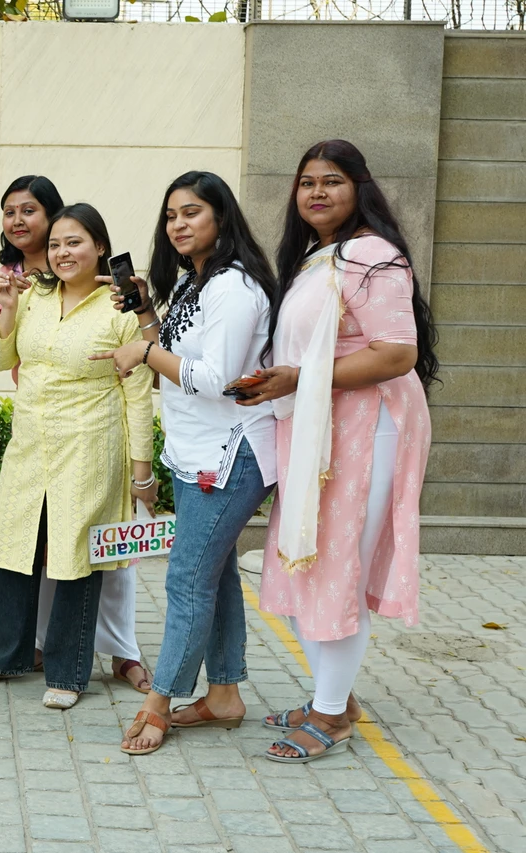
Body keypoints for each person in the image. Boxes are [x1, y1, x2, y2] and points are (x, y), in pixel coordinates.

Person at [238, 140, 437, 763]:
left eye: (332, 181)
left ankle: (331, 715)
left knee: (336, 569)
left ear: (360, 189)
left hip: (367, 429)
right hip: (318, 429)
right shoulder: (318, 257)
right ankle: (336, 696)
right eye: (306, 183)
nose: (317, 192)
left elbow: (395, 354)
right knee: (303, 563)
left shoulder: (374, 256)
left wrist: (298, 379)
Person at [93, 172, 279, 755]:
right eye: (171, 215)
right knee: (214, 574)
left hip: (230, 454)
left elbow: (218, 380)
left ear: (221, 218)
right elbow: (178, 357)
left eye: (192, 213)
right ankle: (223, 696)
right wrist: (148, 313)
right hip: (198, 448)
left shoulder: (233, 289)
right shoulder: (198, 283)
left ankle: (159, 703)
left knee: (188, 579)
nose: (178, 224)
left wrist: (144, 351)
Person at [0, 203, 156, 710]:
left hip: (90, 446)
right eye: (56, 245)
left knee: (74, 559)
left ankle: (68, 673)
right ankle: (7, 658)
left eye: (75, 243)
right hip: (29, 445)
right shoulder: (33, 296)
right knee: (8, 552)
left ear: (101, 248)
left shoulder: (121, 310)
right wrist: (5, 307)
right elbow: (2, 359)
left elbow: (137, 393)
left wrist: (141, 473)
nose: (63, 253)